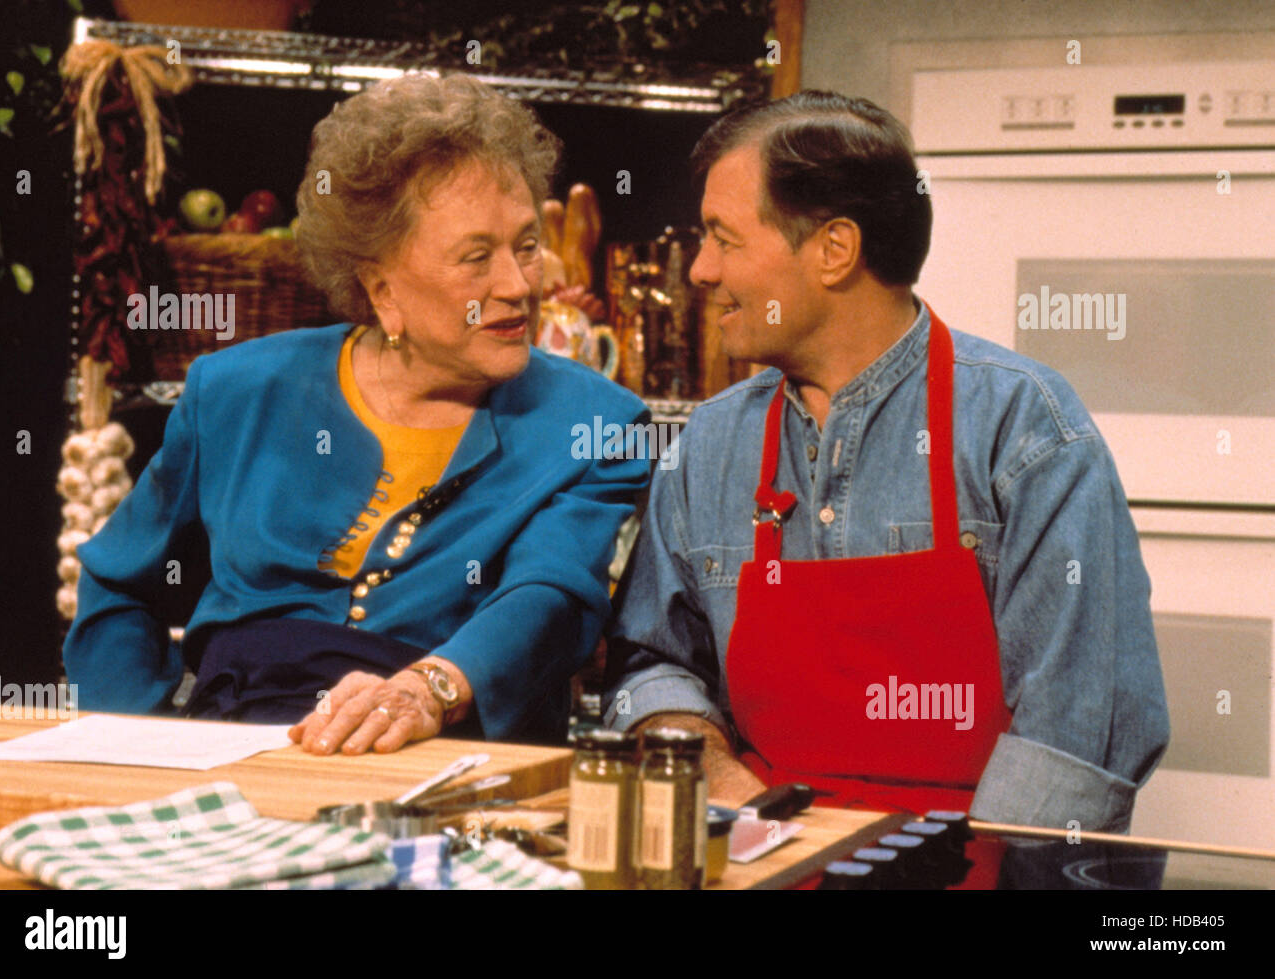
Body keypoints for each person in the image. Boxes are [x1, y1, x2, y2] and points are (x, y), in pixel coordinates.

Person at [604, 91, 1169, 831]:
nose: (701, 270)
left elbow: (1082, 726)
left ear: (835, 250)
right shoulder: (709, 445)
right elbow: (651, 662)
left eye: (724, 238)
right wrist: (723, 783)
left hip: (980, 868)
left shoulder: (1021, 426)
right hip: (765, 859)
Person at [65, 73, 651, 754]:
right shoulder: (237, 390)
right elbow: (116, 580)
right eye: (476, 257)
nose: (519, 285)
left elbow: (551, 598)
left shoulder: (594, 422)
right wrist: (144, 742)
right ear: (382, 288)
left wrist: (430, 689)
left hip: (450, 764)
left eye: (525, 247)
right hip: (232, 760)